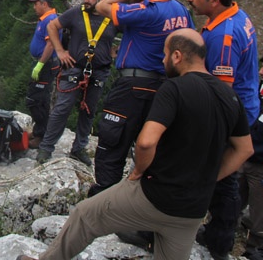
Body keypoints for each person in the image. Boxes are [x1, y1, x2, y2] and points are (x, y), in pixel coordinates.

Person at [16, 28, 254, 260]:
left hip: (155, 196)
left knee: (85, 214)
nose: (163, 60)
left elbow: (146, 142)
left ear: (177, 56)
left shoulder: (174, 88)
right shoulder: (229, 96)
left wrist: (139, 171)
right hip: (192, 211)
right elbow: (245, 149)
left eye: (165, 54)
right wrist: (209, 178)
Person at [89, 0, 194, 196]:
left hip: (132, 87)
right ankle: (144, 201)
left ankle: (104, 199)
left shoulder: (146, 8)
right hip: (166, 88)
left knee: (112, 143)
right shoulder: (181, 11)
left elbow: (103, 5)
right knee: (152, 146)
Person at [186, 0, 260, 260]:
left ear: (214, 0)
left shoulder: (223, 36)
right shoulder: (236, 16)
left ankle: (219, 241)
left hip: (230, 116)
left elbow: (220, 91)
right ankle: (219, 232)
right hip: (245, 108)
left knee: (223, 178)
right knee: (226, 178)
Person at [36, 0, 118, 165]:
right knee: (62, 108)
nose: (86, 0)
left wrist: (115, 52)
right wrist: (59, 50)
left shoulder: (113, 18)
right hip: (73, 67)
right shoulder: (76, 13)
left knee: (88, 111)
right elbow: (52, 26)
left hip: (99, 71)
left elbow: (130, 34)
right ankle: (46, 148)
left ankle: (79, 148)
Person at [25, 0, 61, 149]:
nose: (34, 7)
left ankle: (41, 135)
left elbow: (50, 44)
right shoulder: (45, 19)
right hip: (41, 63)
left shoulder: (51, 20)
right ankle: (40, 130)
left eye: (36, 3)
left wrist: (40, 64)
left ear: (44, 4)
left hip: (46, 65)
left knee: (37, 100)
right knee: (38, 98)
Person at [241, 63, 263, 260]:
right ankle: (221, 234)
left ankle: (255, 248)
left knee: (259, 210)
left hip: (260, 164)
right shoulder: (257, 89)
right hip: (244, 155)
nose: (261, 71)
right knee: (233, 197)